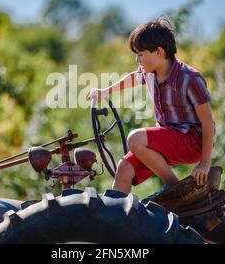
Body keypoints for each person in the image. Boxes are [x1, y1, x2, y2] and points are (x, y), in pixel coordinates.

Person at [88, 19, 215, 194]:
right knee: (124, 168)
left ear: (159, 52)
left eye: (140, 54)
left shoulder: (190, 79)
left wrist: (205, 163)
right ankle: (116, 217)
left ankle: (178, 190)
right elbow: (133, 78)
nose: (137, 59)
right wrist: (105, 92)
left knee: (135, 138)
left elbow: (208, 123)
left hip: (191, 142)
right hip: (167, 138)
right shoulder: (150, 73)